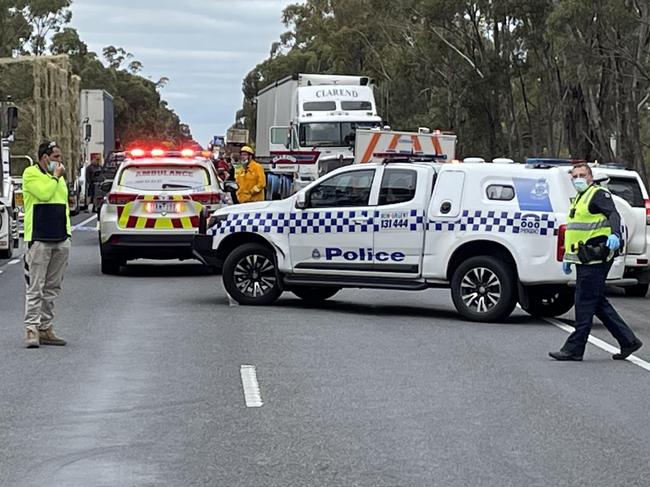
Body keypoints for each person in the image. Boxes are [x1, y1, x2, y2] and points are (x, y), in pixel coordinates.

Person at [549, 163, 642, 361]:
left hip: (596, 257)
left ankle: (574, 349)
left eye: (582, 175)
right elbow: (576, 231)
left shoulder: (598, 194)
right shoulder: (579, 199)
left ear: (590, 177)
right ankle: (628, 341)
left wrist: (615, 234)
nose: (578, 179)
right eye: (575, 176)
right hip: (585, 258)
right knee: (597, 301)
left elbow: (613, 214)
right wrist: (567, 258)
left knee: (584, 301)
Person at [21, 141, 71, 348]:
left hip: (60, 238)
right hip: (40, 238)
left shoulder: (58, 179)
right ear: (44, 158)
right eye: (56, 157)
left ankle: (45, 327)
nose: (60, 161)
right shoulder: (30, 174)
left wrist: (68, 234)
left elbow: (63, 204)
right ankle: (32, 329)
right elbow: (43, 194)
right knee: (36, 287)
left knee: (52, 288)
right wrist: (55, 177)